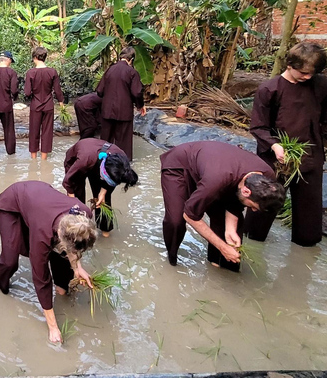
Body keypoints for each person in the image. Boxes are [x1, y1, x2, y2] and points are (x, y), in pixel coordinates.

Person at [0, 181, 97, 343]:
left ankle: (62, 288)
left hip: (41, 200)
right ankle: (1, 285)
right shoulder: (43, 235)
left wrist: (77, 267)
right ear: (59, 234)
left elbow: (74, 245)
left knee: (62, 260)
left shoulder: (84, 215)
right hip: (14, 201)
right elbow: (41, 279)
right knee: (10, 260)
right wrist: (53, 327)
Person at [246, 42, 327, 247]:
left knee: (309, 216)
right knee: (262, 209)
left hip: (310, 155)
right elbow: (258, 127)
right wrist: (275, 146)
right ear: (290, 64)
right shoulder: (269, 89)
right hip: (275, 159)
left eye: (313, 73)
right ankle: (250, 244)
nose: (307, 77)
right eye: (303, 73)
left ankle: (305, 248)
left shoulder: (321, 85)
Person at [160, 141, 285, 270]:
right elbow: (190, 215)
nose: (253, 210)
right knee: (176, 221)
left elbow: (235, 202)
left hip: (217, 169)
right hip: (180, 165)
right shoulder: (215, 181)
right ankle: (172, 261)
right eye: (254, 206)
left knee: (229, 223)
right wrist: (222, 247)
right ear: (246, 191)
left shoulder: (268, 178)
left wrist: (231, 229)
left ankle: (220, 265)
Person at [62, 138, 138, 236]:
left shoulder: (121, 160)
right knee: (77, 201)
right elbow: (68, 181)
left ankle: (105, 232)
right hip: (79, 160)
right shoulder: (84, 160)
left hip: (99, 162)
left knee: (103, 200)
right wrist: (73, 200)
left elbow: (112, 182)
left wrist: (103, 192)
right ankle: (79, 231)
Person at [95, 47, 145, 160]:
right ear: (131, 59)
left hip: (107, 111)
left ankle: (102, 163)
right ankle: (122, 165)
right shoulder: (132, 72)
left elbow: (99, 91)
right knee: (123, 143)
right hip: (124, 112)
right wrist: (140, 105)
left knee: (105, 142)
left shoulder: (110, 70)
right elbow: (137, 92)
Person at [24, 46, 64, 160]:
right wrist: (61, 102)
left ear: (35, 57)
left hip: (35, 105)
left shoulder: (30, 73)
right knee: (47, 132)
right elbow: (57, 90)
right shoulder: (52, 72)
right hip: (48, 105)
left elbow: (27, 92)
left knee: (34, 131)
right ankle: (44, 159)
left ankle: (33, 159)